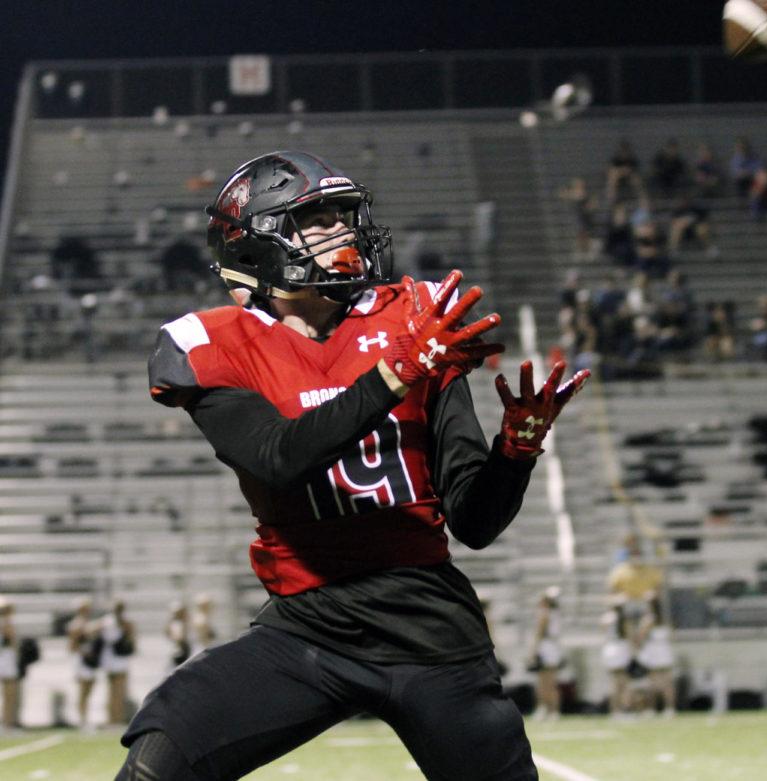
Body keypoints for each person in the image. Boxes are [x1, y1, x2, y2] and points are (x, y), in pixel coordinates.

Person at [116, 151, 590, 780]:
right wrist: (395, 373)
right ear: (258, 246)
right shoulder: (215, 343)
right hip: (309, 624)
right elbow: (277, 456)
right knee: (162, 752)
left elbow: (475, 522)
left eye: (343, 214)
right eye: (317, 220)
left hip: (427, 625)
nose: (342, 231)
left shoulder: (414, 319)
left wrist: (516, 451)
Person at [635, 595, 676, 717]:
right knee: (667, 683)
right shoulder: (665, 619)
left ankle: (651, 708)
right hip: (664, 650)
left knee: (652, 683)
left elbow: (640, 637)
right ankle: (669, 708)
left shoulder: (648, 620)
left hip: (654, 652)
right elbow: (672, 635)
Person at [529, 586, 564, 721]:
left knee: (544, 681)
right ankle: (553, 710)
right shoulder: (557, 613)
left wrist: (533, 651)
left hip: (546, 646)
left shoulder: (544, 613)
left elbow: (539, 633)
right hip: (553, 646)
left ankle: (544, 708)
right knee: (552, 681)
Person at [100, 599, 136, 726]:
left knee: (120, 690)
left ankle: (118, 718)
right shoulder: (107, 621)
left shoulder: (126, 622)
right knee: (111, 690)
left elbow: (131, 638)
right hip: (111, 658)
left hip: (121, 658)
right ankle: (111, 718)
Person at [67, 597, 100, 730]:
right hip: (82, 660)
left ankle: (84, 718)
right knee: (83, 690)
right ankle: (82, 720)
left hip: (88, 660)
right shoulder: (76, 625)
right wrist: (84, 653)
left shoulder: (87, 623)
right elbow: (72, 646)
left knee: (88, 690)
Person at [0, 598, 19, 730]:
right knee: (9, 694)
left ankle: (7, 723)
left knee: (9, 694)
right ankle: (7, 724)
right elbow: (13, 643)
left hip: (5, 658)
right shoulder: (6, 624)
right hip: (5, 659)